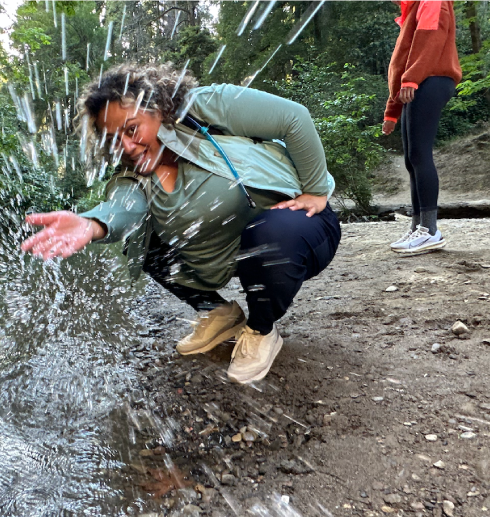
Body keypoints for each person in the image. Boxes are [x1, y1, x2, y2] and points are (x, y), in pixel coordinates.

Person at [20, 64, 341, 384]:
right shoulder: (132, 173)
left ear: (157, 109)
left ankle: (260, 330)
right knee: (141, 244)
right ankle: (219, 314)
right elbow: (124, 208)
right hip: (231, 250)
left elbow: (293, 118)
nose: (127, 147)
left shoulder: (204, 107)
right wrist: (92, 224)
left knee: (269, 232)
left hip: (299, 228)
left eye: (132, 130)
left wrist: (315, 190)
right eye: (114, 139)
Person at [382, 1, 461, 255]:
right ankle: (419, 227)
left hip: (431, 80)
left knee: (420, 155)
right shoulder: (411, 11)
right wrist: (392, 111)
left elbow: (431, 37)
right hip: (418, 83)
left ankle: (429, 231)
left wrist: (412, 78)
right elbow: (402, 62)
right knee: (411, 159)